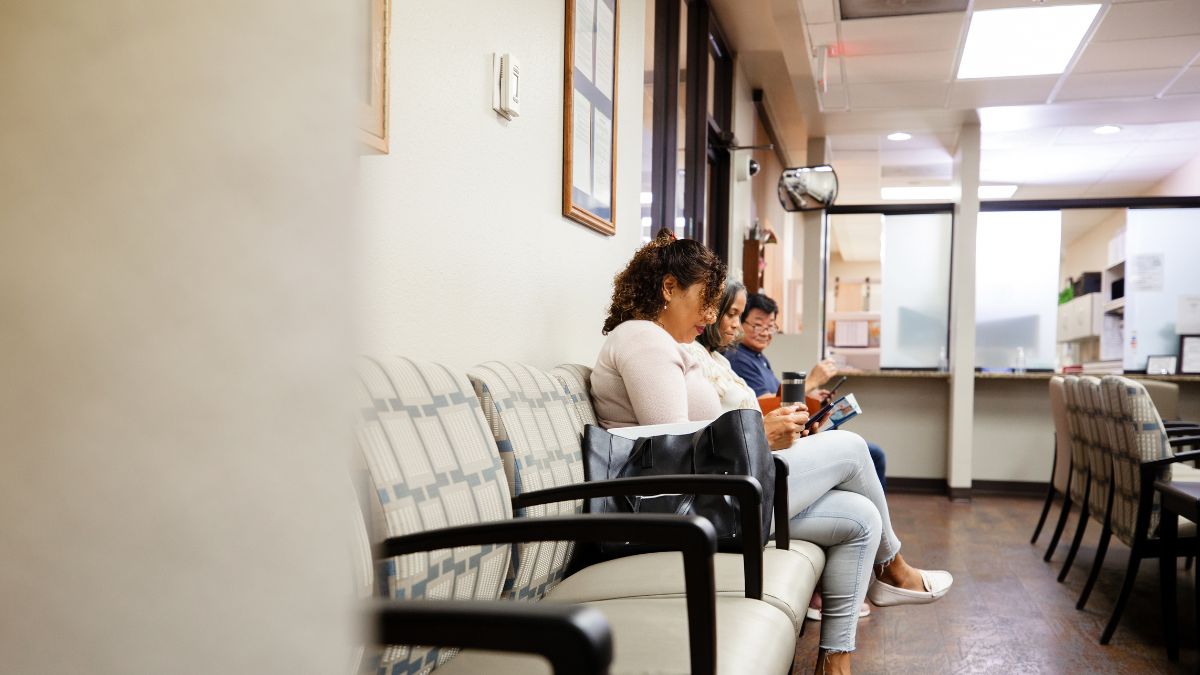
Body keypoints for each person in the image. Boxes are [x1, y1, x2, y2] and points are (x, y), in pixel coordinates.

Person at [590, 233, 952, 675]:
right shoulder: (643, 339)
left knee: (862, 518)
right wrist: (758, 434)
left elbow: (686, 443)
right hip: (685, 508)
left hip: (710, 498)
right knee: (854, 449)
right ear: (668, 288)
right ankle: (893, 567)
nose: (710, 315)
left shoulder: (667, 343)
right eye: (705, 300)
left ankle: (835, 662)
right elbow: (672, 449)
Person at [727, 292, 888, 491]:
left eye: (771, 326)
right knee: (872, 453)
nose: (765, 332)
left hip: (791, 438)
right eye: (758, 324)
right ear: (740, 322)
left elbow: (779, 400)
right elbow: (766, 408)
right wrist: (811, 382)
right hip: (776, 447)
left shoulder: (759, 358)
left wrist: (810, 398)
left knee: (866, 451)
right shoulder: (737, 358)